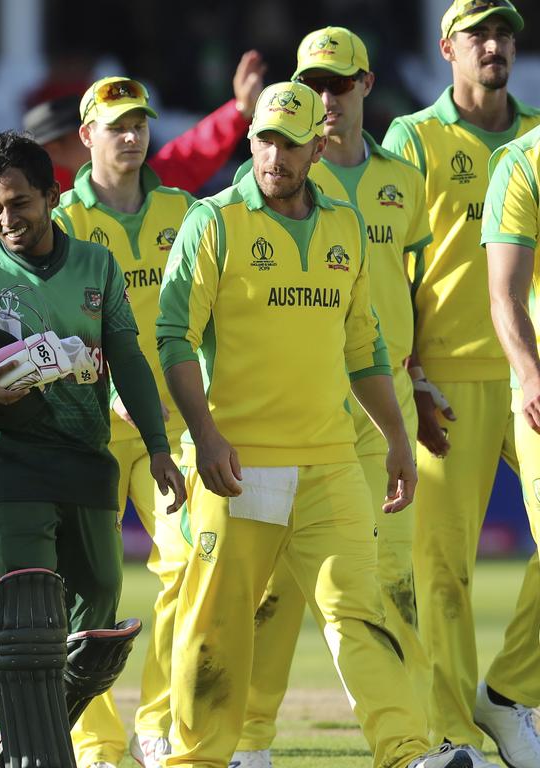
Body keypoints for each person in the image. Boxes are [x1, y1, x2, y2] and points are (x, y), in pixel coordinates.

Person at [158, 80, 496, 768]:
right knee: (219, 628)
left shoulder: (344, 223)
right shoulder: (214, 222)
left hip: (333, 461)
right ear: (249, 140)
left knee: (360, 611)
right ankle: (195, 760)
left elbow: (364, 347)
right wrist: (208, 436)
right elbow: (171, 340)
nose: (274, 155)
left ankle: (406, 752)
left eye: (290, 142)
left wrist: (397, 442)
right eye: (263, 140)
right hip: (240, 465)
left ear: (319, 146)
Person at [0, 130, 185, 768]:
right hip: (7, 464)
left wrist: (159, 446)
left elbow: (131, 361)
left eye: (21, 204)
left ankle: (4, 738)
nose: (8, 220)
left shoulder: (96, 266)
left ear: (53, 196)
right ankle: (38, 755)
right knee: (31, 619)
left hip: (88, 463)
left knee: (99, 637)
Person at [229, 28, 433, 768]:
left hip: (383, 414)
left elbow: (414, 292)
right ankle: (247, 741)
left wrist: (420, 377)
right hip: (299, 414)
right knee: (276, 598)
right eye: (311, 85)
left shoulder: (404, 181)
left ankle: (417, 738)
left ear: (366, 87)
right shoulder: (277, 184)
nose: (324, 100)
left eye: (337, 86)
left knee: (392, 589)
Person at [383, 2, 540, 760]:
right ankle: (451, 734)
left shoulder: (537, 140)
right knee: (441, 573)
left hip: (530, 371)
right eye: (478, 33)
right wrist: (408, 374)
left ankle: (509, 691)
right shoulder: (413, 138)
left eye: (504, 32)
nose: (494, 45)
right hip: (445, 376)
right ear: (448, 47)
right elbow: (389, 267)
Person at [50, 76, 195, 768]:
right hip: (86, 431)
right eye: (116, 125)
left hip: (169, 428)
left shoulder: (185, 212)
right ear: (86, 136)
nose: (132, 136)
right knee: (89, 583)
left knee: (194, 559)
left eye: (139, 122)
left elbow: (213, 315)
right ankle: (95, 738)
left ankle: (158, 721)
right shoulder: (65, 223)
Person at [0, 51, 267, 293]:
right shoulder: (13, 194)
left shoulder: (131, 184)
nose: (124, 139)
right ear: (69, 142)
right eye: (110, 129)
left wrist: (238, 112)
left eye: (133, 126)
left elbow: (185, 158)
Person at [484, 126, 540, 768]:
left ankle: (509, 692)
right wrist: (529, 373)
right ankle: (506, 693)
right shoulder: (524, 163)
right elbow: (505, 291)